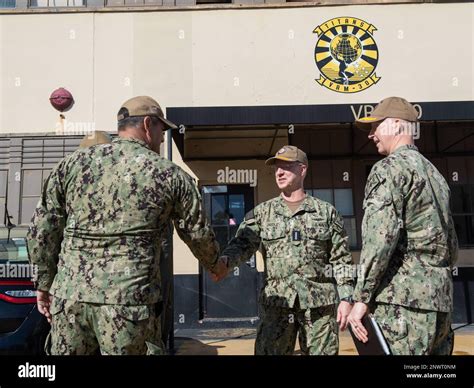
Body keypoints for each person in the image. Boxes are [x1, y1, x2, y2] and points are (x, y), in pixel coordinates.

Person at [27, 96, 227, 355]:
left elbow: (42, 229)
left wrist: (44, 284)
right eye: (161, 130)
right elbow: (197, 233)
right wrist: (216, 265)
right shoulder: (170, 174)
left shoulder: (71, 165)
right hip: (130, 304)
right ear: (147, 124)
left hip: (70, 300)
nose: (163, 138)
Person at [215, 145, 354, 355]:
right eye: (277, 168)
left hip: (319, 308)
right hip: (277, 305)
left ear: (302, 169)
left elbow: (341, 259)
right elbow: (242, 244)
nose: (279, 172)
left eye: (286, 167)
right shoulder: (263, 213)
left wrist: (346, 298)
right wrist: (225, 262)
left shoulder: (326, 213)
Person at [348, 96, 458, 355]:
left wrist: (361, 298)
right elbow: (451, 244)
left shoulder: (387, 169)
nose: (371, 135)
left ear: (397, 125)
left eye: (376, 126)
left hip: (403, 305)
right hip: (440, 303)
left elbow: (379, 241)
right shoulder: (435, 174)